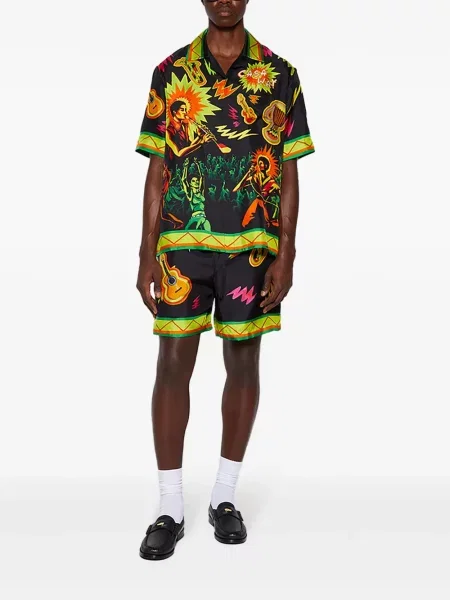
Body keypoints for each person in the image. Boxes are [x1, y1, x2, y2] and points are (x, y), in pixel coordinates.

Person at [135, 0, 315, 560]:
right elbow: (157, 168)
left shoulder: (280, 74)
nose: (225, 1)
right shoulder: (170, 71)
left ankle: (225, 496)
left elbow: (288, 170)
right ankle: (169, 505)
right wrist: (145, 253)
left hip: (251, 250)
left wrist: (286, 253)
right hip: (181, 244)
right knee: (172, 364)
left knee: (243, 364)